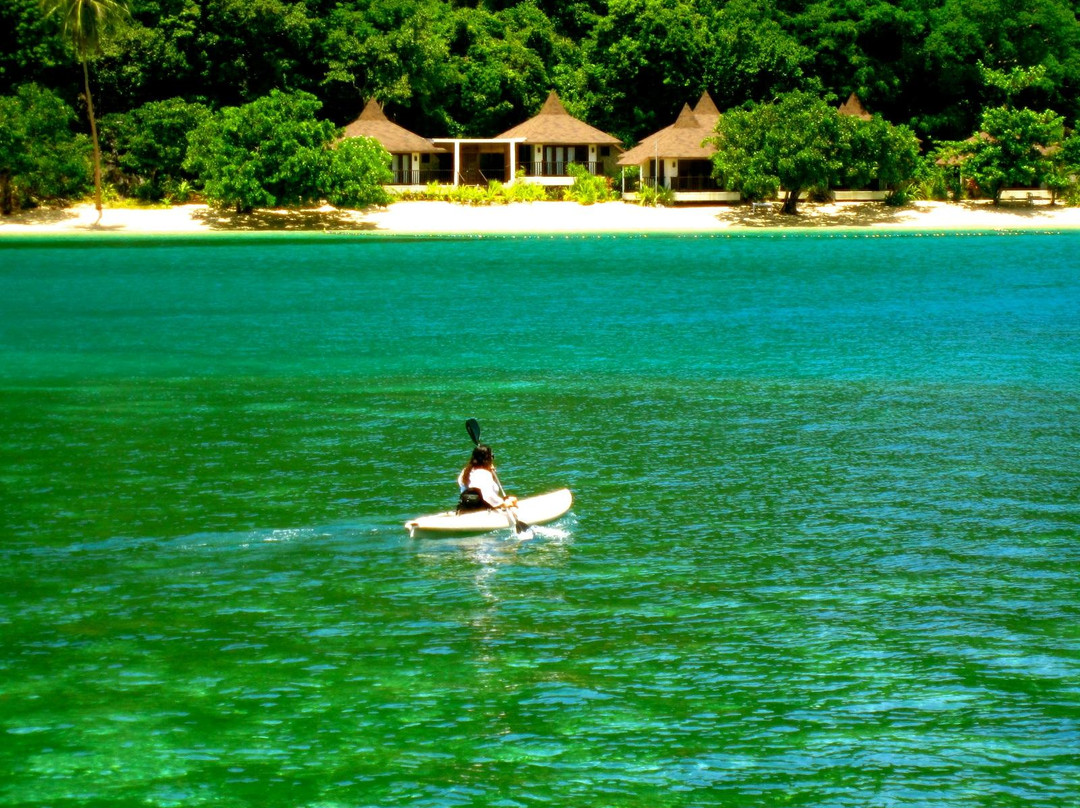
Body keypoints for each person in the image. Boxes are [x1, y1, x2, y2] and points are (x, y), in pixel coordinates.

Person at [457, 444, 518, 512]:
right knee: (513, 499)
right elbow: (488, 496)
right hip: (483, 509)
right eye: (492, 456)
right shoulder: (484, 474)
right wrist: (504, 504)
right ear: (487, 458)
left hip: (465, 508)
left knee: (510, 499)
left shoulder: (465, 471)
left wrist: (490, 472)